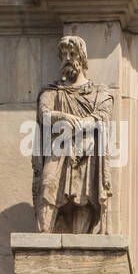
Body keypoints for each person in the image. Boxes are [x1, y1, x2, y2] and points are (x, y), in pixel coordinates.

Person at [34, 35, 113, 233]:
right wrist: (61, 116)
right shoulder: (52, 91)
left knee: (83, 197)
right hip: (58, 148)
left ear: (82, 57)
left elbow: (104, 114)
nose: (68, 58)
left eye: (72, 54)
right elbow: (43, 113)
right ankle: (44, 235)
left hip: (86, 150)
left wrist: (83, 123)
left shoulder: (98, 91)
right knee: (47, 185)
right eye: (64, 55)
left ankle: (80, 241)